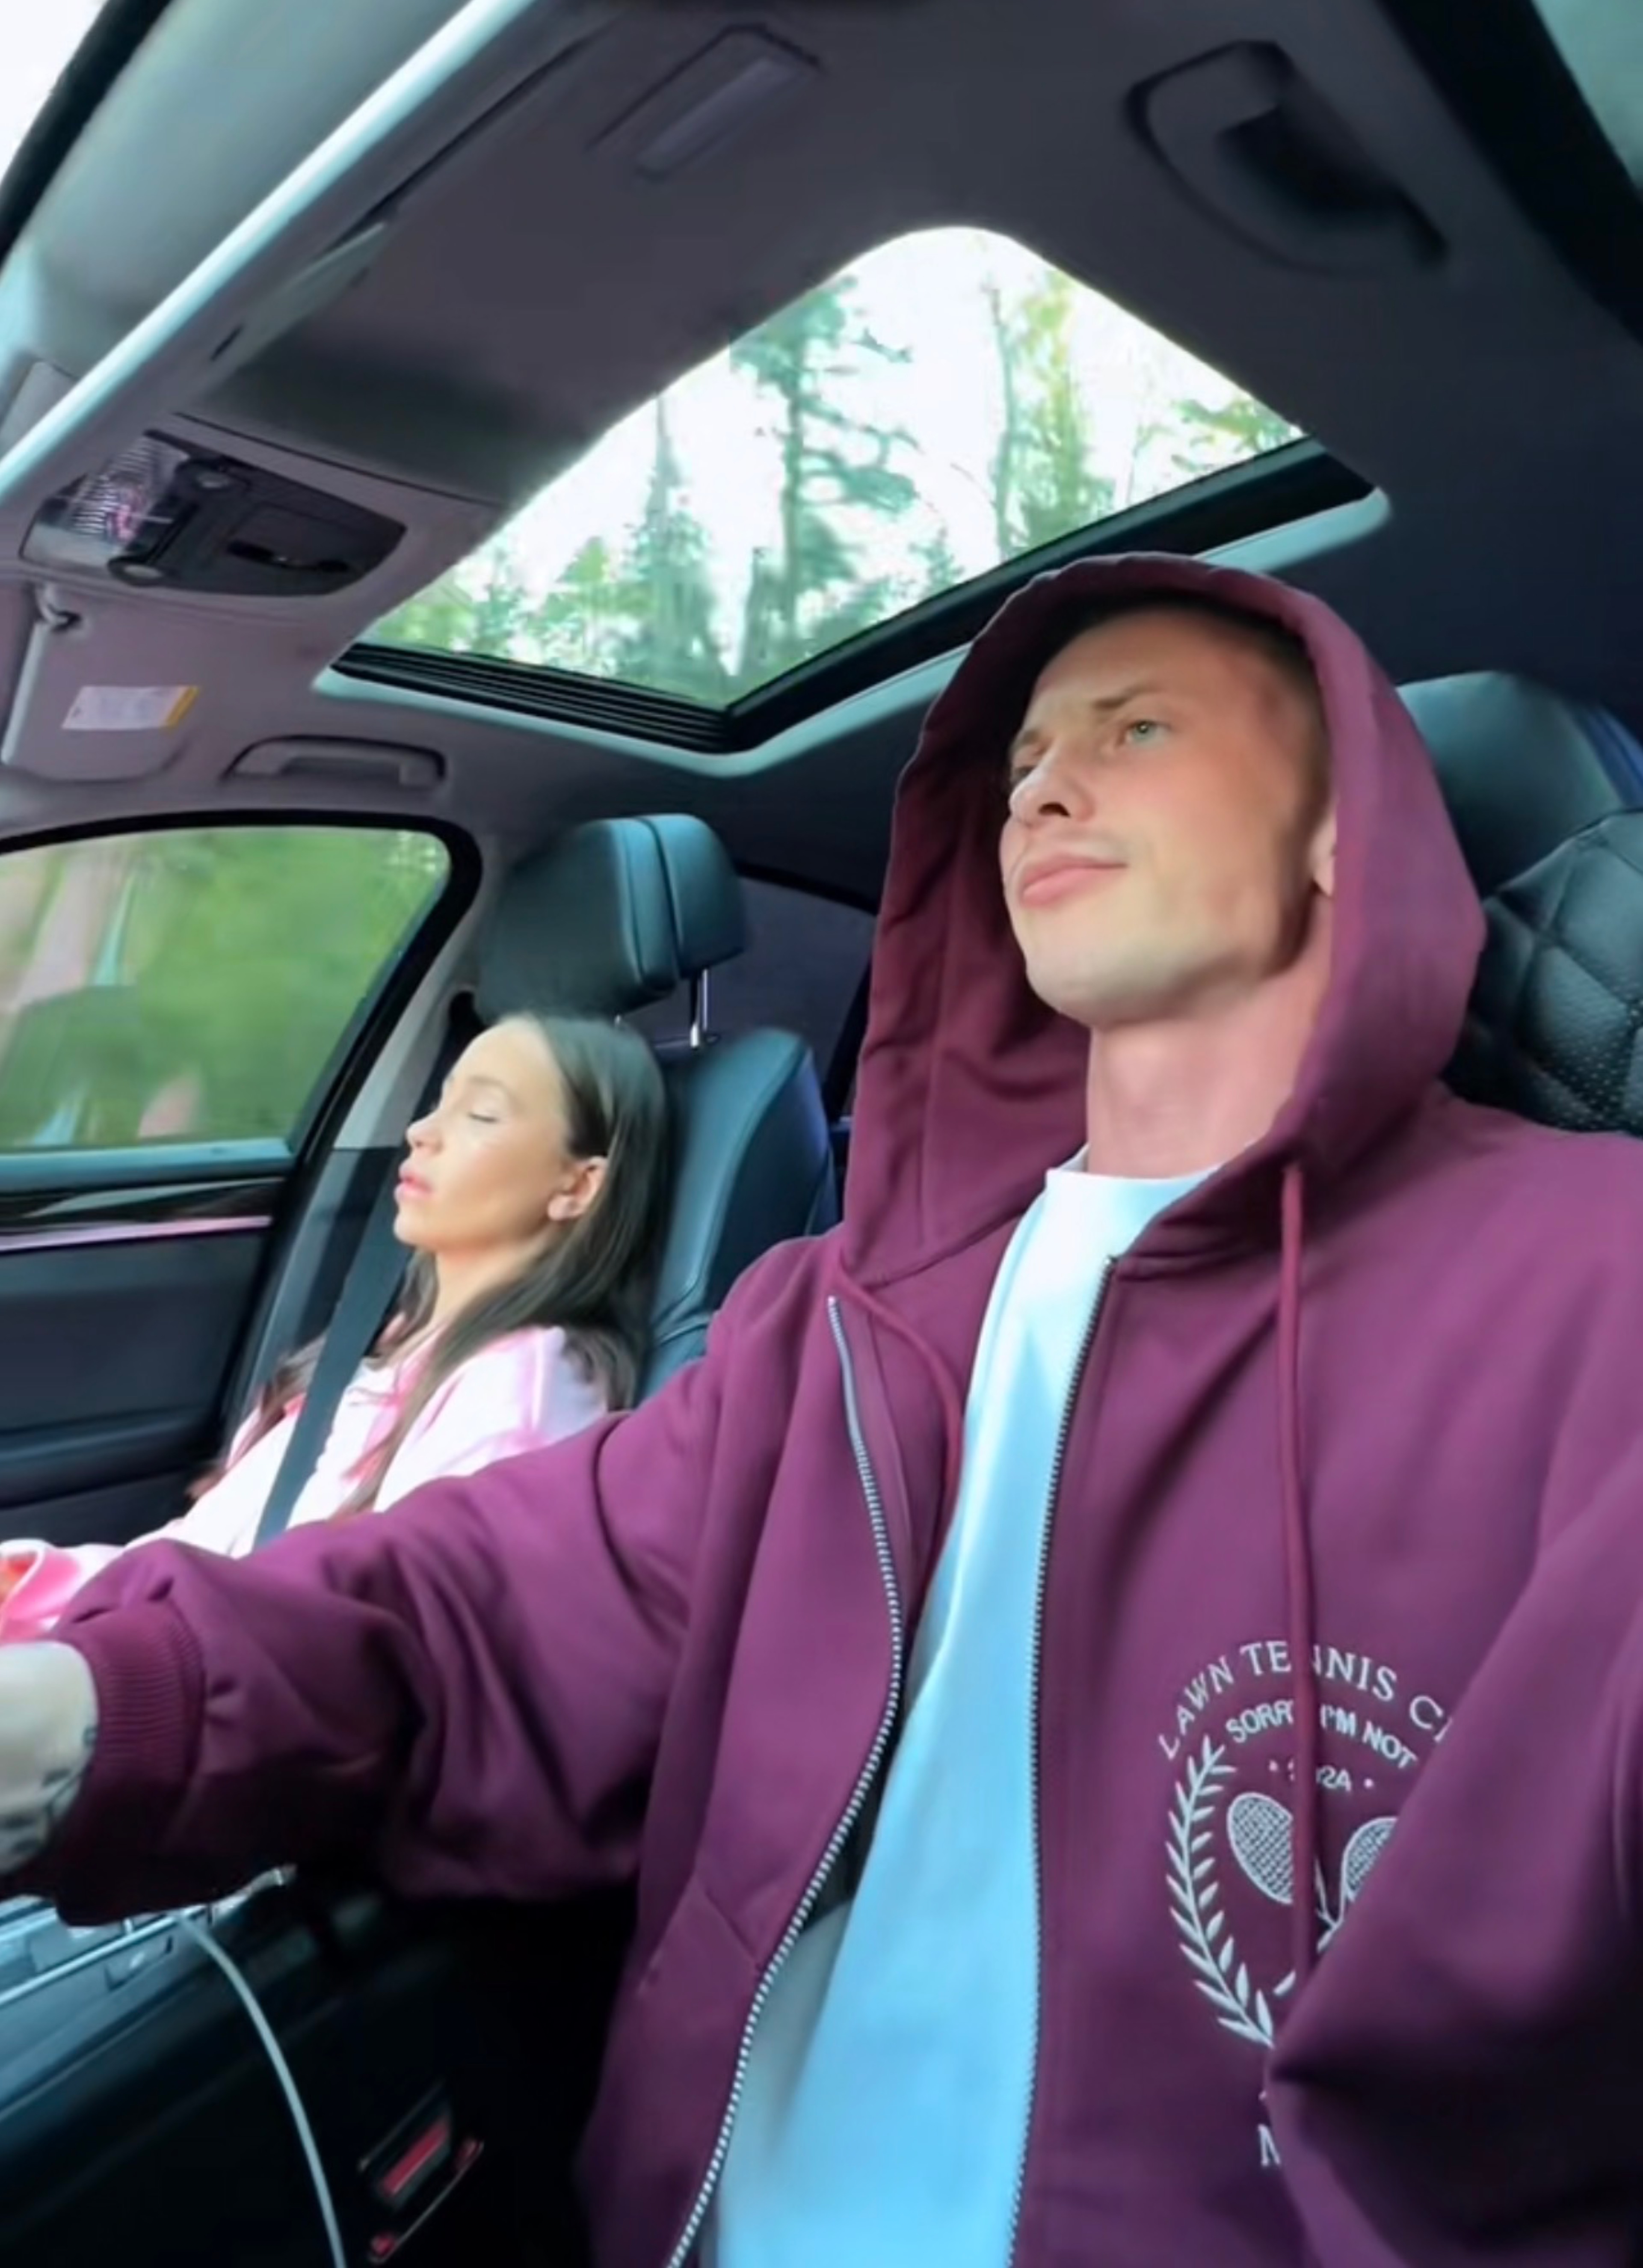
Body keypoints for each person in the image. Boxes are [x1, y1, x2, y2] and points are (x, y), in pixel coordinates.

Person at [8, 550, 1643, 2265]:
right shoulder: (834, 1331)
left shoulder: (1592, 1286)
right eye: (1022, 763)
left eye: (1137, 727)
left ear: (1340, 831)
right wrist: (81, 1711)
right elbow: (470, 1610)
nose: (1045, 789)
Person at [0, 1011, 670, 1638]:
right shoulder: (392, 1348)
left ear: (576, 1187)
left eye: (481, 1114)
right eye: (439, 1101)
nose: (422, 1130)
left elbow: (376, 1639)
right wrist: (34, 1585)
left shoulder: (520, 1390)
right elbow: (208, 1548)